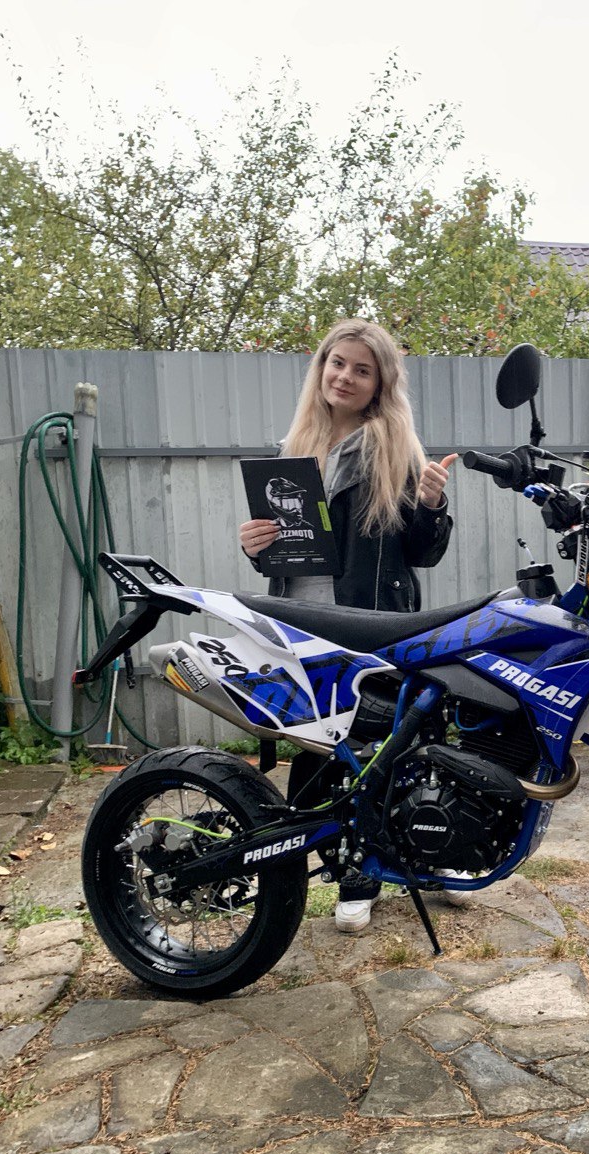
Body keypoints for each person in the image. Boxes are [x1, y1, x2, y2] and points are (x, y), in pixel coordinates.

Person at [239, 318, 463, 932]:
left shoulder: (397, 449)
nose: (345, 376)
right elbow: (282, 552)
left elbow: (423, 553)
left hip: (370, 624)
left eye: (362, 370)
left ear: (379, 384)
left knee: (384, 751)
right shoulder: (294, 449)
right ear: (322, 367)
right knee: (320, 749)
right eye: (337, 363)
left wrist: (432, 504)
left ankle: (406, 861)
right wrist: (256, 546)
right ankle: (343, 866)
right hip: (300, 621)